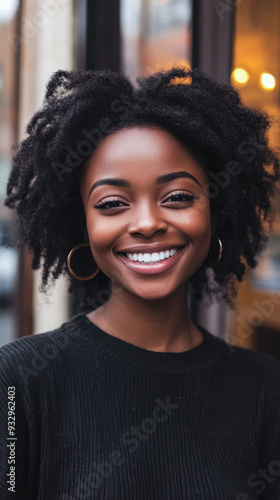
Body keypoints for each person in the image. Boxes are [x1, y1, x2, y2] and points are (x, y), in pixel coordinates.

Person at [0, 65, 280, 500]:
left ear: (215, 210)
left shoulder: (265, 390)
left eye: (178, 197)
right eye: (112, 203)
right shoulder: (18, 382)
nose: (148, 223)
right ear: (84, 224)